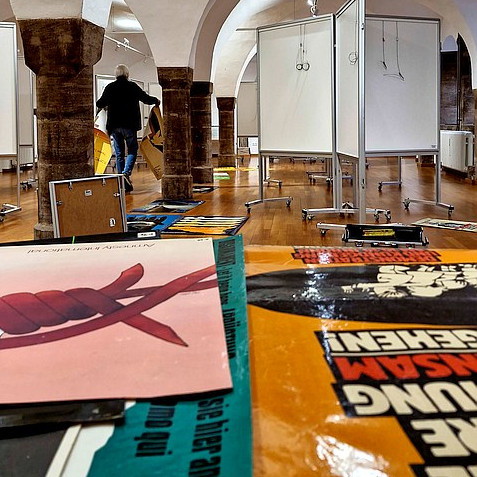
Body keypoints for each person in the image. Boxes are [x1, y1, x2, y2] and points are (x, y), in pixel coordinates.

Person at [96, 64, 160, 192]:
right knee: (132, 150)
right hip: (130, 125)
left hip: (114, 126)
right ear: (127, 74)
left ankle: (121, 180)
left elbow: (100, 103)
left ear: (116, 74)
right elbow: (146, 99)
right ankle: (126, 174)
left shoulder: (110, 87)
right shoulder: (132, 86)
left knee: (119, 153)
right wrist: (156, 100)